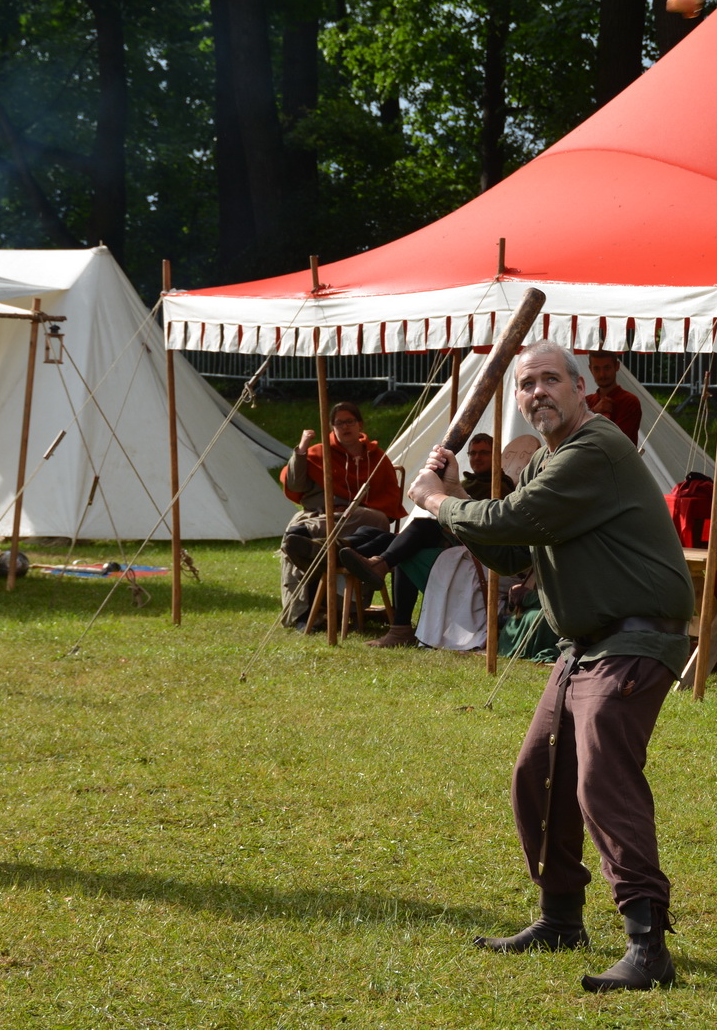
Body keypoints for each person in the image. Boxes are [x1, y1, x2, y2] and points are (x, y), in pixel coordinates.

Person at [408, 341, 694, 991]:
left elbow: (514, 516)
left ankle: (649, 945)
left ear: (580, 389)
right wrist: (454, 494)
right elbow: (514, 553)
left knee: (601, 780)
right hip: (585, 646)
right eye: (526, 384)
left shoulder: (595, 449)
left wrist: (434, 501)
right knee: (538, 774)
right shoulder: (545, 459)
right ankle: (561, 917)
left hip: (632, 640)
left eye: (550, 380)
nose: (538, 391)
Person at [349, 433, 513, 649]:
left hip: (470, 546)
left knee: (417, 529)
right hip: (448, 535)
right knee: (371, 533)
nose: (477, 457)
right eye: (472, 453)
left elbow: (487, 525)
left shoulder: (502, 486)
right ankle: (340, 551)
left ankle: (368, 562)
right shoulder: (465, 482)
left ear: (496, 456)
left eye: (484, 452)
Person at [278, 401, 404, 626]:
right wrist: (302, 448)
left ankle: (316, 541)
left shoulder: (377, 458)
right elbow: (296, 486)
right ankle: (302, 614)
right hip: (321, 517)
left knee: (376, 518)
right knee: (293, 538)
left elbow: (389, 502)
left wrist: (351, 508)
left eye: (349, 422)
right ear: (332, 427)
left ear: (360, 424)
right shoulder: (320, 453)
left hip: (359, 524)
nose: (345, 427)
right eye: (339, 423)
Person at [585, 351, 641, 445]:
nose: (602, 374)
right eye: (597, 369)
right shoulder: (586, 401)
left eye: (607, 368)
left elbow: (617, 442)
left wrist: (591, 415)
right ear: (590, 369)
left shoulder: (630, 402)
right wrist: (594, 411)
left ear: (617, 366)